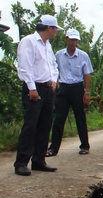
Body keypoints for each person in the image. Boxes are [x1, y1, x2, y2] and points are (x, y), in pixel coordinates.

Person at [14, 15, 63, 176]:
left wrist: (54, 80)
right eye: (55, 29)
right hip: (34, 88)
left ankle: (39, 160)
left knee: (45, 124)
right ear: (49, 28)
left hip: (48, 88)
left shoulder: (47, 45)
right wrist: (32, 88)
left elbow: (53, 65)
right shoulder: (29, 42)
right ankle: (21, 162)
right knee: (31, 124)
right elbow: (25, 66)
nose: (56, 32)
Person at [46, 29, 94, 157]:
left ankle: (84, 146)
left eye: (76, 40)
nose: (73, 42)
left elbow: (87, 74)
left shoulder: (83, 55)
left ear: (78, 41)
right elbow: (54, 70)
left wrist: (87, 92)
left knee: (80, 118)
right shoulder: (59, 55)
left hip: (77, 88)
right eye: (71, 39)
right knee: (59, 119)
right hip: (63, 88)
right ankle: (53, 148)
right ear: (66, 39)